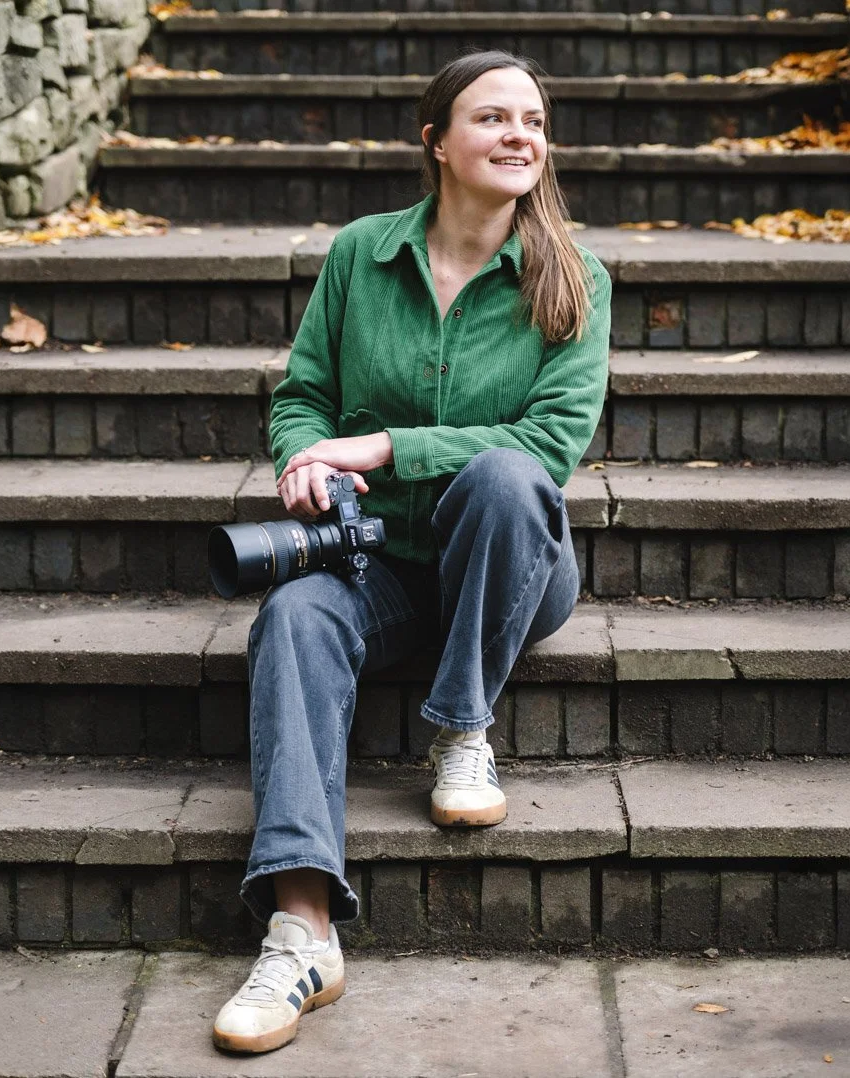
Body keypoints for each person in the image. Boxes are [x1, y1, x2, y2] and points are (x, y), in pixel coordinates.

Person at [211, 49, 612, 1054]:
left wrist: (388, 445)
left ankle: (461, 724)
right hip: (379, 563)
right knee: (294, 613)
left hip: (516, 561)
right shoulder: (360, 255)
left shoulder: (573, 277)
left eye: (532, 119)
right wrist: (304, 455)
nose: (520, 133)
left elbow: (552, 445)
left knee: (508, 479)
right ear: (436, 140)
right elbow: (302, 393)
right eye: (492, 117)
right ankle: (299, 930)